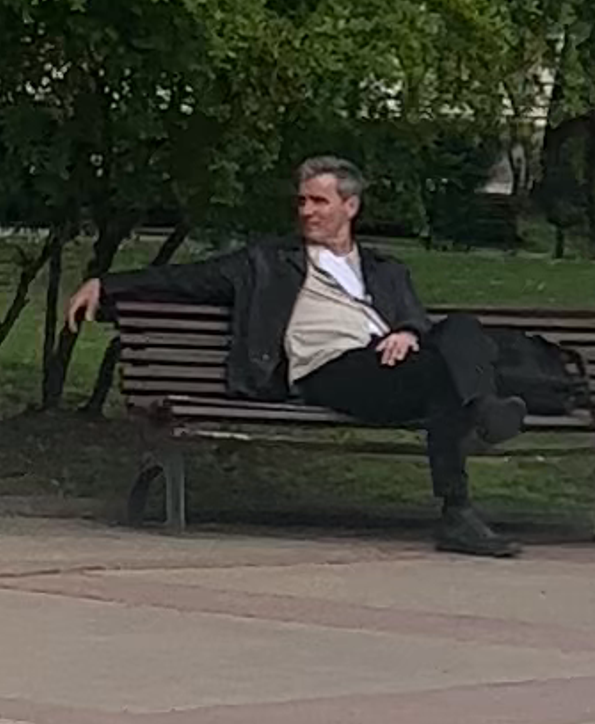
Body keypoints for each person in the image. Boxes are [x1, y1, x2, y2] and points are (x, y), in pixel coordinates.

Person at [66, 156, 524, 555]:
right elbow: (189, 278)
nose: (307, 211)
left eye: (319, 202)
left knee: (459, 334)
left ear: (351, 206)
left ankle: (465, 479)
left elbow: (417, 321)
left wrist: (406, 331)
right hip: (330, 370)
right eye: (302, 201)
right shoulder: (267, 262)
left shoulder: (386, 270)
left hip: (394, 368)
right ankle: (469, 467)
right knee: (445, 377)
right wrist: (108, 285)